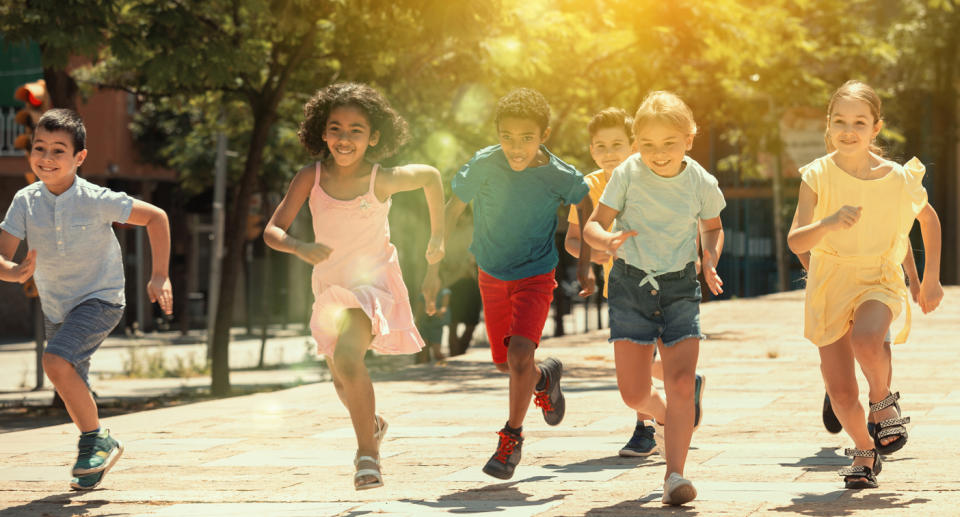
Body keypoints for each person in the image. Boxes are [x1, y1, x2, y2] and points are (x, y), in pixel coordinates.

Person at [263, 83, 444, 490]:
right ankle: (373, 424)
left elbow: (432, 177)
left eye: (356, 130)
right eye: (336, 129)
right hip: (329, 290)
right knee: (341, 379)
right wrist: (299, 246)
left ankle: (367, 455)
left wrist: (438, 239)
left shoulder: (382, 180)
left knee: (347, 359)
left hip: (371, 287)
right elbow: (273, 230)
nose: (345, 139)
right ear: (321, 132)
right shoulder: (309, 177)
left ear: (374, 136)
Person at [0, 108, 173, 491]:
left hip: (101, 299)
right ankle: (95, 458)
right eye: (39, 148)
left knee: (55, 361)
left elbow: (157, 217)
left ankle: (93, 440)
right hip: (57, 305)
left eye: (58, 150)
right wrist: (11, 271)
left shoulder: (97, 199)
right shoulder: (25, 201)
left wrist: (159, 274)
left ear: (79, 157)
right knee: (68, 381)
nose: (46, 158)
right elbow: (3, 254)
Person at [426, 87, 592, 480]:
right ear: (497, 133)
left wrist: (585, 265)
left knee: (518, 355)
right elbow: (453, 208)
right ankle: (544, 377)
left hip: (536, 274)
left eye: (526, 138)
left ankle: (510, 440)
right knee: (506, 364)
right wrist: (435, 255)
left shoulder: (559, 174)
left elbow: (583, 203)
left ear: (544, 135)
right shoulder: (484, 164)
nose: (515, 148)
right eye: (507, 137)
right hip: (492, 274)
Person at [787, 80, 943, 489]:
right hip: (829, 282)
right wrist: (828, 222)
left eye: (859, 121)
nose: (848, 129)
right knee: (838, 391)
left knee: (869, 339)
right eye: (840, 121)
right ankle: (864, 449)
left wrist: (928, 281)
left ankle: (882, 400)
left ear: (876, 127)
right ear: (828, 125)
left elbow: (927, 221)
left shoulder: (897, 177)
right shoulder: (816, 175)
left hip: (877, 277)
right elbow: (796, 239)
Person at [583, 91, 725, 505]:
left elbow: (712, 227)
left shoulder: (700, 181)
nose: (657, 154)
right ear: (636, 144)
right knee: (633, 393)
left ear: (688, 139)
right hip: (630, 286)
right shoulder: (627, 173)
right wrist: (606, 240)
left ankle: (675, 476)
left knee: (680, 383)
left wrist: (709, 257)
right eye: (647, 145)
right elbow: (595, 223)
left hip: (681, 286)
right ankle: (664, 418)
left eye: (668, 144)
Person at [564, 107, 707, 458]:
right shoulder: (588, 186)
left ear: (633, 145)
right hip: (623, 286)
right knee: (636, 367)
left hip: (665, 282)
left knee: (655, 353)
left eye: (617, 144)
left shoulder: (651, 175)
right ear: (591, 150)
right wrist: (592, 257)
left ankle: (646, 428)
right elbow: (573, 238)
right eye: (600, 146)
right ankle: (682, 390)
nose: (609, 152)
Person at [415, 286, 451, 364]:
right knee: (423, 352)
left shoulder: (444, 292)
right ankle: (422, 373)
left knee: (437, 353)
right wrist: (416, 323)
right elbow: (419, 309)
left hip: (436, 325)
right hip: (424, 324)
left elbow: (444, 307)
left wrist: (438, 311)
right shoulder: (423, 294)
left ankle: (445, 366)